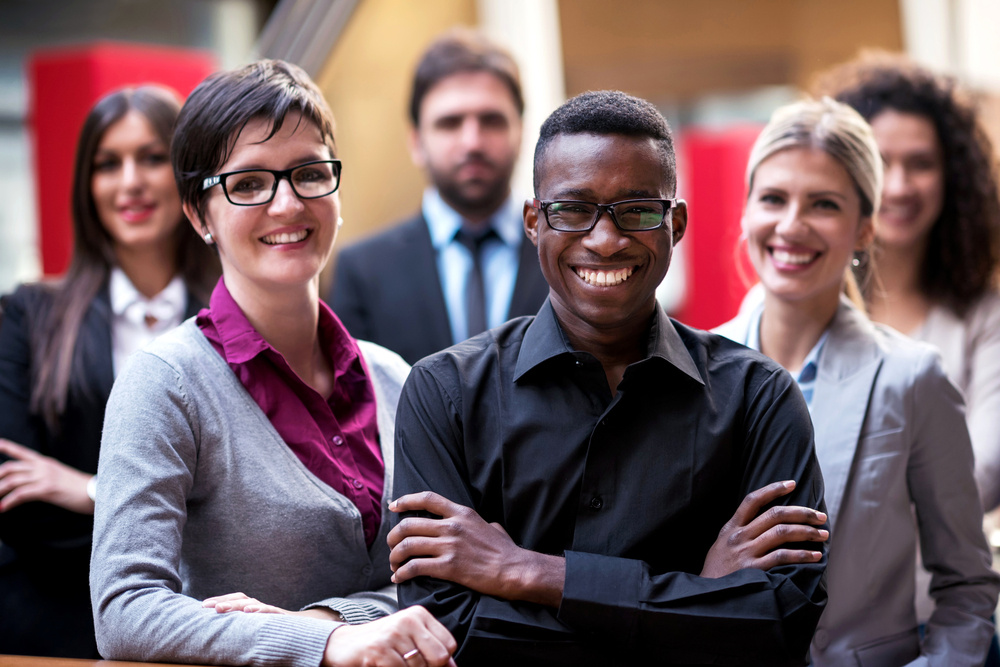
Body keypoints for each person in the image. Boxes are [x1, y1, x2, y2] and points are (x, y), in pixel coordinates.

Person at [386, 90, 830, 666]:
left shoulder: (759, 399)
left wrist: (529, 572)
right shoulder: (443, 395)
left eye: (638, 210)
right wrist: (698, 592)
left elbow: (782, 625)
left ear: (676, 224)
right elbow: (446, 639)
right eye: (573, 209)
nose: (605, 239)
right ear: (533, 222)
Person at [90, 60, 456, 667]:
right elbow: (125, 611)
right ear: (198, 214)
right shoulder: (165, 384)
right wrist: (328, 643)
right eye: (250, 183)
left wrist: (323, 620)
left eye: (310, 174)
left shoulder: (397, 378)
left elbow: (445, 587)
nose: (287, 204)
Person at [715, 97, 999, 666]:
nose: (791, 225)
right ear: (746, 212)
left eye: (823, 204)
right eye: (773, 198)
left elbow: (966, 588)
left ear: (864, 228)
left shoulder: (910, 378)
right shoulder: (691, 371)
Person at [0, 85, 219, 658]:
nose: (130, 182)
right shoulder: (28, 316)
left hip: (208, 625)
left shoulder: (234, 318)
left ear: (186, 175)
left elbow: (249, 509)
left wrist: (93, 490)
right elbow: (15, 497)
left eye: (151, 158)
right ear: (86, 185)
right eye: (107, 163)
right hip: (51, 626)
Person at [816, 53, 1000, 513]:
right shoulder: (804, 304)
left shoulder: (984, 317)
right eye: (879, 162)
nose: (898, 186)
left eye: (920, 163)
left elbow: (983, 474)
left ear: (953, 178)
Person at [330, 27, 548, 365]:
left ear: (520, 131)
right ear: (416, 141)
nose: (472, 142)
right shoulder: (362, 272)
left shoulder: (568, 253)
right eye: (450, 123)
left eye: (491, 120)